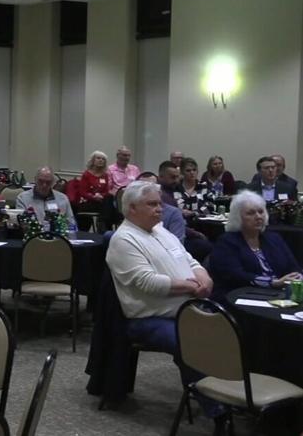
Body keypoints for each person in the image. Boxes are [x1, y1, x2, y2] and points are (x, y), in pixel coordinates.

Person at [105, 181, 226, 428]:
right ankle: (218, 411)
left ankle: (232, 395)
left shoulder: (161, 231)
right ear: (132, 208)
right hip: (149, 318)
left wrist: (204, 278)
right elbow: (147, 282)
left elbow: (191, 260)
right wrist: (191, 287)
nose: (159, 209)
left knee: (231, 332)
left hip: (189, 309)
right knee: (189, 343)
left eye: (159, 203)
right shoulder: (123, 240)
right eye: (152, 204)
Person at [209, 191, 302, 302]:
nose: (258, 216)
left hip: (277, 295)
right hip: (239, 296)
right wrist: (273, 283)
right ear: (238, 217)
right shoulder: (226, 242)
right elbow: (236, 275)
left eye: (261, 212)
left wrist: (297, 277)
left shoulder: (274, 238)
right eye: (251, 213)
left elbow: (293, 266)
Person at [76, 150, 112, 232]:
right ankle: (103, 225)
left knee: (110, 197)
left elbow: (106, 191)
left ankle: (102, 224)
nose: (101, 160)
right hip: (88, 201)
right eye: (98, 158)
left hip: (101, 202)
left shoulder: (105, 175)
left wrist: (101, 196)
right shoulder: (86, 174)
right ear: (93, 160)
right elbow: (83, 192)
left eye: (103, 159)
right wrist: (93, 197)